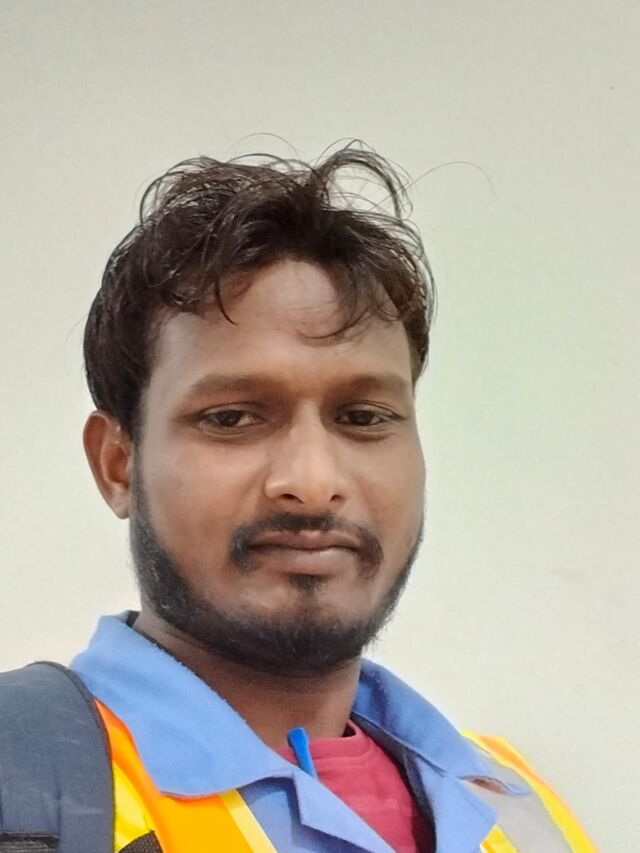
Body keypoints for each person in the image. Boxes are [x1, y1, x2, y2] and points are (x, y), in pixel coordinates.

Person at [0, 144, 594, 852]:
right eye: (232, 418)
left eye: (363, 417)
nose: (312, 482)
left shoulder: (514, 804)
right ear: (118, 464)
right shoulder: (22, 783)